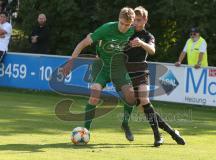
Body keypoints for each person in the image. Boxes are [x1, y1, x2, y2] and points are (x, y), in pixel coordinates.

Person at [62, 7, 137, 141]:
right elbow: (82, 44)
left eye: (127, 25)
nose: (124, 27)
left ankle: (125, 124)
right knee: (95, 93)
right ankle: (86, 130)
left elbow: (144, 32)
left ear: (131, 24)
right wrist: (70, 62)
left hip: (119, 68)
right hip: (102, 65)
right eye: (122, 23)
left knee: (131, 97)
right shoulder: (106, 29)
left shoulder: (133, 30)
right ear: (118, 19)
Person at [122, 6, 185, 147]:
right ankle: (172, 132)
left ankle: (157, 136)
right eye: (133, 20)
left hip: (141, 71)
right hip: (127, 74)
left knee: (145, 99)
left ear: (145, 20)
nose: (135, 23)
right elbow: (118, 49)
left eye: (138, 20)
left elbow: (152, 51)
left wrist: (141, 43)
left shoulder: (148, 36)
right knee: (145, 108)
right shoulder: (126, 33)